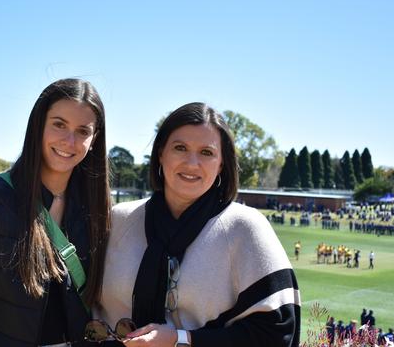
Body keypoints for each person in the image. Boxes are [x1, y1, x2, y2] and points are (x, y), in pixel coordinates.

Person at [97, 103, 300, 346]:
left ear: (222, 164)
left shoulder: (245, 228)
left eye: (206, 152)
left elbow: (277, 332)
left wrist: (181, 340)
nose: (192, 163)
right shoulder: (119, 220)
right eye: (180, 148)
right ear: (161, 154)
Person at [0, 78, 111, 346]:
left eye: (83, 131)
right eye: (59, 124)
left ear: (94, 140)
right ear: (38, 125)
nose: (69, 141)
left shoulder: (97, 209)